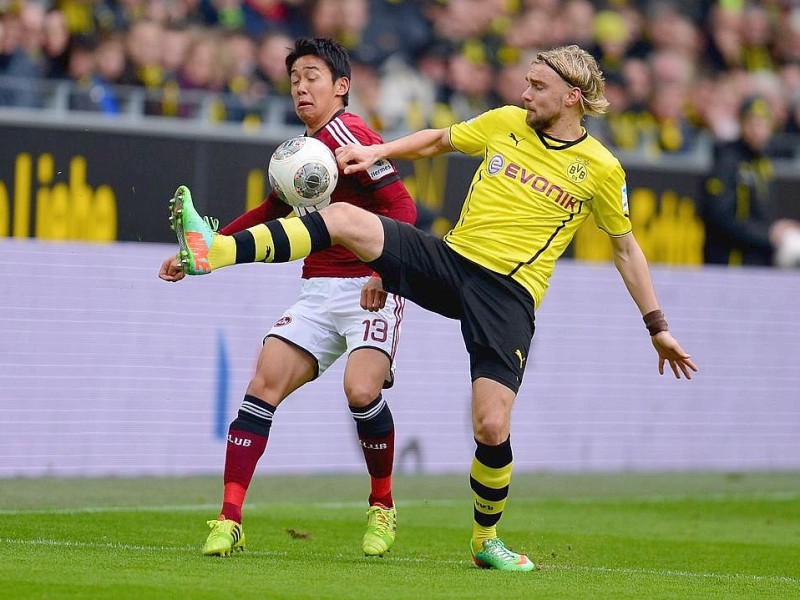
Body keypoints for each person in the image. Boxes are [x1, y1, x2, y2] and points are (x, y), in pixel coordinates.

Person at [164, 44, 698, 572]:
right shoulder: (506, 122)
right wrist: (380, 152)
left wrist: (657, 327)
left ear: (572, 96)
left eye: (537, 86)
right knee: (347, 218)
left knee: (490, 427)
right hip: (451, 260)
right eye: (527, 82)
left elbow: (625, 247)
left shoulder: (601, 169)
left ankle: (485, 539)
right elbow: (440, 140)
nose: (524, 93)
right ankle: (217, 251)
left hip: (507, 296)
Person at [159, 38, 417, 558]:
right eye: (295, 77)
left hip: (371, 285)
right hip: (319, 288)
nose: (301, 86)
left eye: (313, 76)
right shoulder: (301, 153)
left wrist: (385, 274)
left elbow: (404, 209)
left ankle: (383, 506)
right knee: (262, 385)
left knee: (361, 390)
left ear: (341, 87)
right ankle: (229, 519)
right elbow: (269, 213)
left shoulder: (351, 135)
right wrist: (204, 251)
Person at [701, 95, 800, 266]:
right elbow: (719, 215)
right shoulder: (727, 160)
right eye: (752, 123)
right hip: (730, 259)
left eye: (762, 124)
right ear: (742, 124)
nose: (757, 130)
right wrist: (767, 234)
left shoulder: (764, 162)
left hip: (757, 258)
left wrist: (775, 231)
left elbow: (762, 213)